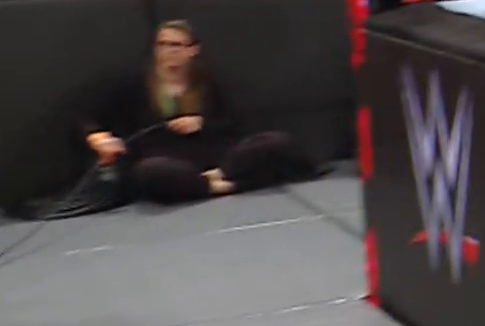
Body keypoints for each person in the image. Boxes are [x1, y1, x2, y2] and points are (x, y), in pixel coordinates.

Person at [81, 20, 313, 204]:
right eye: (162, 45)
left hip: (216, 157)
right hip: (164, 158)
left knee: (275, 142)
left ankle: (210, 182)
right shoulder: (134, 82)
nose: (167, 51)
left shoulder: (208, 79)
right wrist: (99, 139)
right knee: (149, 171)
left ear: (192, 50)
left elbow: (235, 122)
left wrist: (202, 123)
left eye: (175, 45)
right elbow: (88, 118)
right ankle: (225, 186)